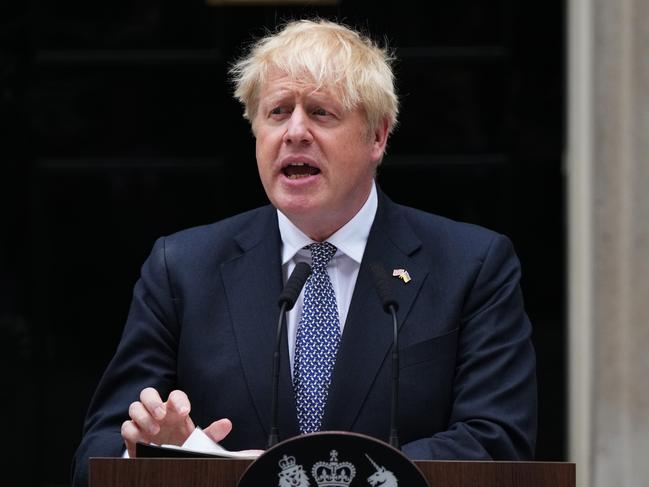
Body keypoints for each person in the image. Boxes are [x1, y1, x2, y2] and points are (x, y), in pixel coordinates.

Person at [71, 18, 537, 486]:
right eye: (277, 112)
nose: (295, 132)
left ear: (377, 136)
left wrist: (298, 479)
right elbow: (99, 454)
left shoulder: (472, 265)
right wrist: (159, 452)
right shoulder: (182, 269)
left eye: (321, 113)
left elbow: (496, 442)